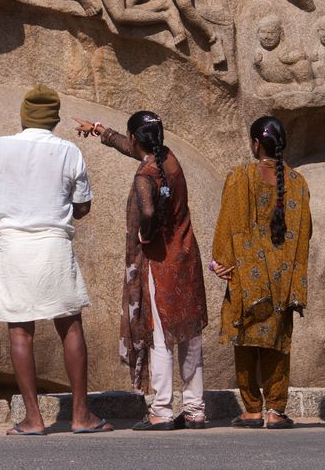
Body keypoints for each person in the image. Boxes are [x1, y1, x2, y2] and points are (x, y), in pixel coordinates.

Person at [0, 85, 111, 436]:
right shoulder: (68, 151)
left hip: (13, 247)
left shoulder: (0, 148)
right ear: (55, 119)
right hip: (53, 245)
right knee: (70, 326)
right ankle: (81, 416)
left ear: (24, 117)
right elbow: (83, 207)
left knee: (20, 331)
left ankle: (33, 419)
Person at [76, 112, 207, 431]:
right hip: (186, 256)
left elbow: (147, 210)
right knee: (189, 333)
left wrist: (145, 234)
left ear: (136, 138)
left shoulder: (146, 174)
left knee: (160, 335)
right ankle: (194, 409)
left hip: (160, 262)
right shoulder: (167, 157)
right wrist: (100, 131)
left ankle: (161, 410)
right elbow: (133, 149)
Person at [211, 116, 311, 429]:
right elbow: (306, 232)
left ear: (256, 144)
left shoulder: (241, 177)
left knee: (245, 342)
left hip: (247, 273)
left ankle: (252, 409)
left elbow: (228, 222)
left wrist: (221, 261)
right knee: (278, 344)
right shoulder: (297, 183)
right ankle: (275, 411)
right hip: (283, 279)